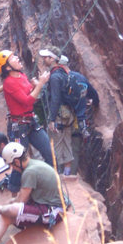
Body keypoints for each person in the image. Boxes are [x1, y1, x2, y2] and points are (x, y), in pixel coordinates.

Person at [0, 142, 67, 242]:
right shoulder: (34, 164)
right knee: (7, 213)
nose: (13, 168)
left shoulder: (29, 172)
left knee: (12, 209)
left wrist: (2, 208)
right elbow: (23, 197)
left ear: (16, 161)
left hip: (54, 212)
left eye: (12, 165)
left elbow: (21, 202)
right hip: (47, 204)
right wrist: (8, 204)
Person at [0, 50, 53, 166]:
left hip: (31, 122)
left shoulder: (22, 76)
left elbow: (29, 92)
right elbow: (27, 101)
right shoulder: (9, 83)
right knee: (19, 161)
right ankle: (15, 184)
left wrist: (34, 85)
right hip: (19, 127)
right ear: (8, 68)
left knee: (49, 153)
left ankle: (52, 180)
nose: (17, 58)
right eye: (13, 58)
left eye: (15, 55)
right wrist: (40, 84)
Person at [39, 46, 76, 175]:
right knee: (67, 141)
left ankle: (57, 174)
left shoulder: (54, 77)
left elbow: (55, 98)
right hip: (68, 113)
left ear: (52, 58)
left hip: (59, 115)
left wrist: (51, 119)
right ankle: (67, 172)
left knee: (56, 143)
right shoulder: (64, 73)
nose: (44, 59)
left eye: (46, 57)